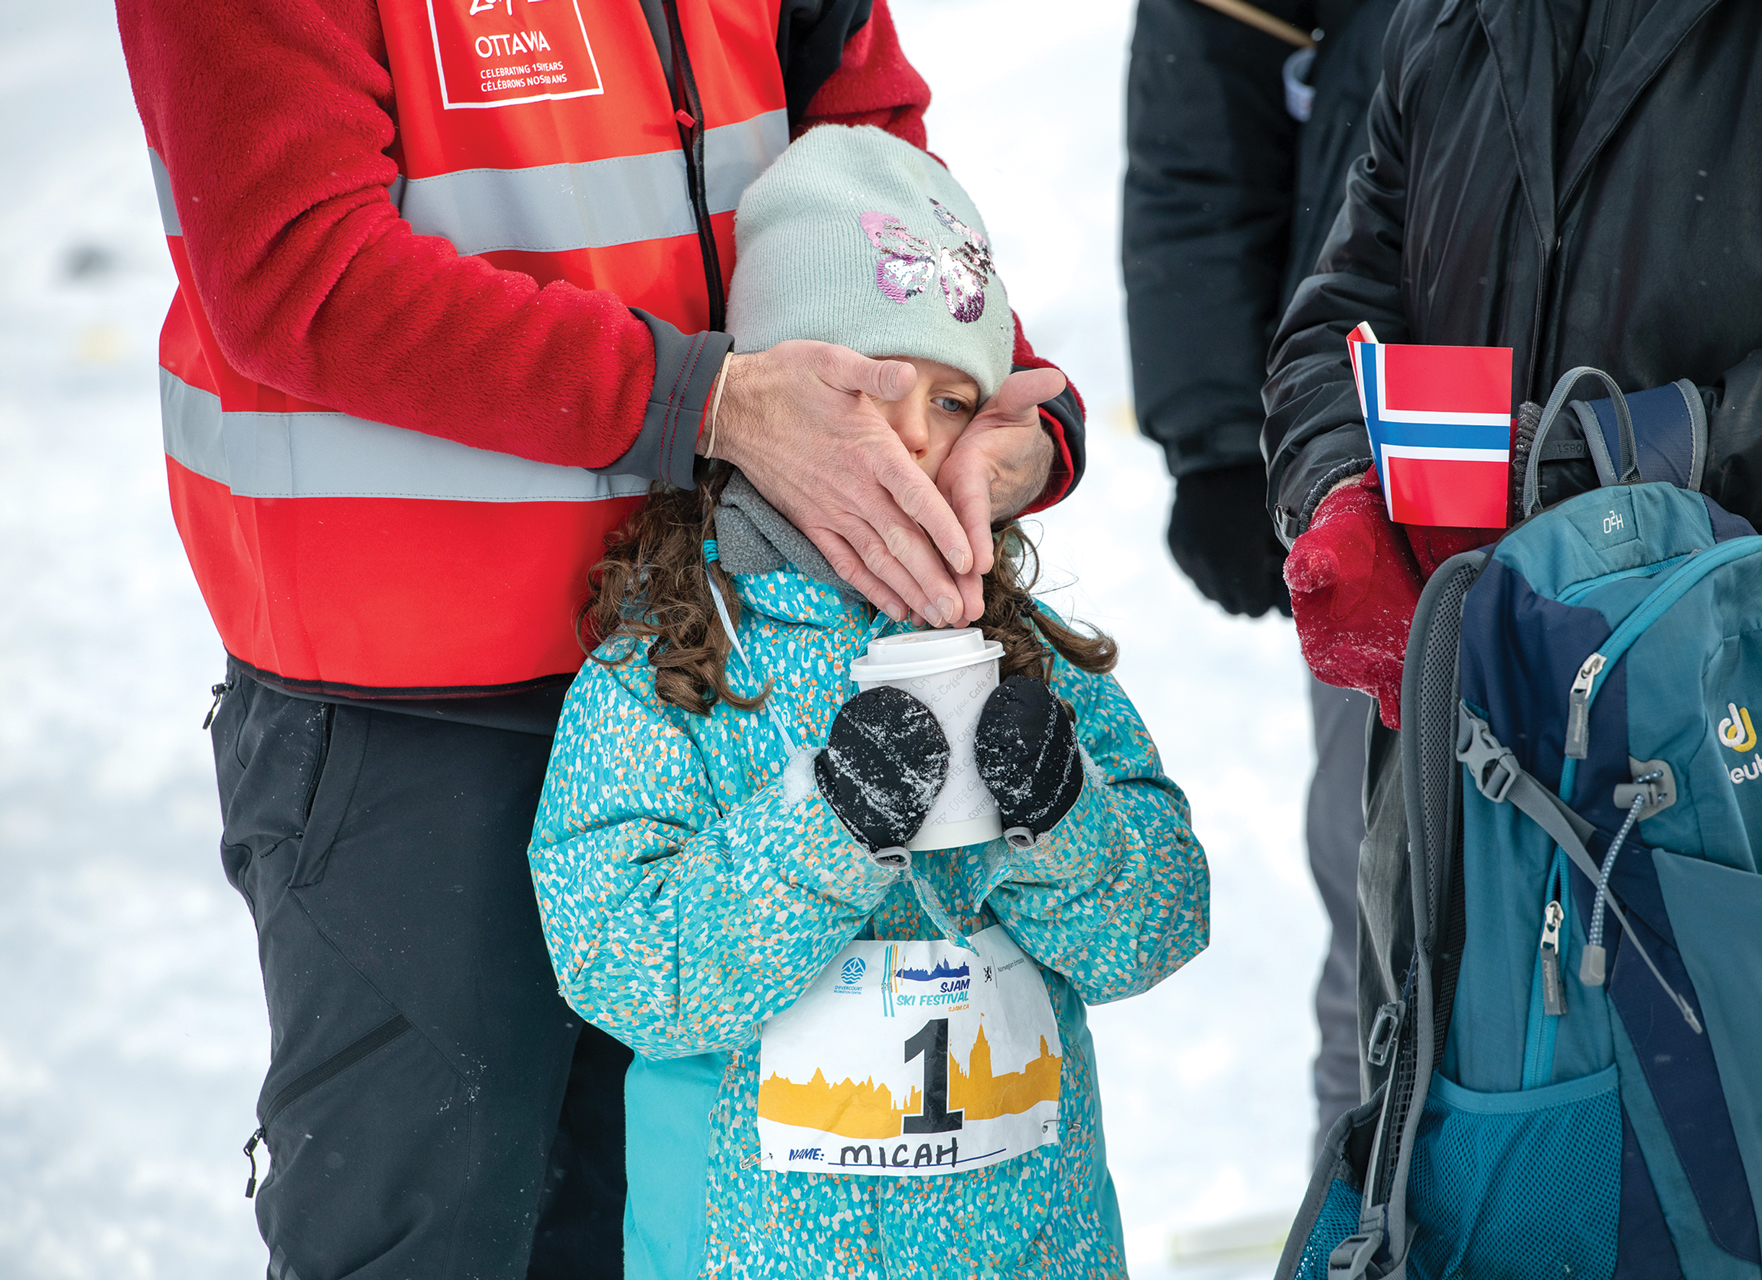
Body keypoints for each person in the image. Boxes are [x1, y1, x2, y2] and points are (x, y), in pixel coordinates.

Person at [113, 2, 1086, 1276]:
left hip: (735, 652)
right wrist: (713, 400)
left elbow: (860, 146)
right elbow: (298, 265)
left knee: (690, 1228)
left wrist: (982, 400)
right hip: (417, 708)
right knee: (436, 1236)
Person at [1263, 1, 1762, 1269]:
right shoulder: (1442, 23)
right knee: (1511, 1206)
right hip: (1495, 792)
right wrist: (1341, 485)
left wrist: (1635, 463)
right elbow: (1332, 318)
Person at [529, 124, 1210, 1278]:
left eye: (950, 403)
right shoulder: (676, 664)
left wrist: (1064, 812)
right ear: (781, 393)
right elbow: (616, 960)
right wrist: (827, 826)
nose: (907, 437)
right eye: (867, 386)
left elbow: (1160, 922)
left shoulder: (1016, 648)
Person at [1122, 0, 1398, 1151]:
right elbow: (1203, 116)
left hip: (1739, 433)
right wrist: (1224, 436)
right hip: (1387, 450)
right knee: (1395, 888)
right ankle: (1371, 1208)